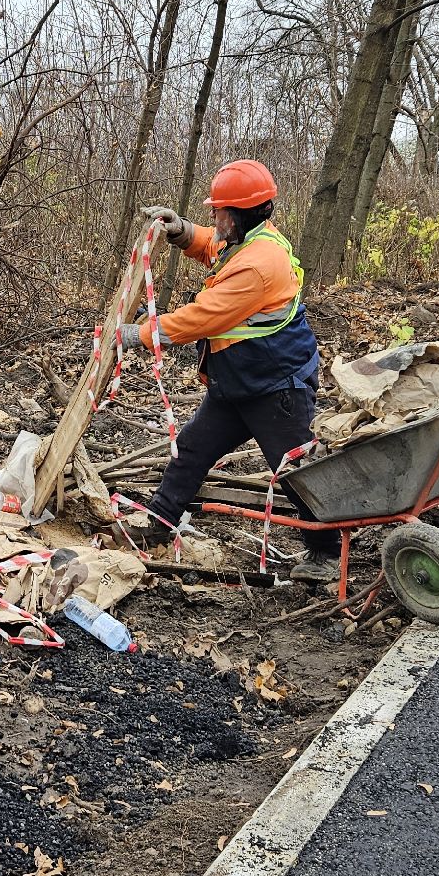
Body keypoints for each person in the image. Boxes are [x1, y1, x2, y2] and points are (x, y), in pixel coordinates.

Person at [118, 159, 342, 583]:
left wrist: (141, 334)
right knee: (192, 448)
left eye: (218, 210)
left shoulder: (260, 265)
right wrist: (180, 230)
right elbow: (213, 246)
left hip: (276, 385)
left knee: (295, 471)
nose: (212, 217)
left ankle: (327, 552)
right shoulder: (247, 239)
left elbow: (203, 317)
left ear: (239, 214)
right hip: (239, 381)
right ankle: (161, 522)